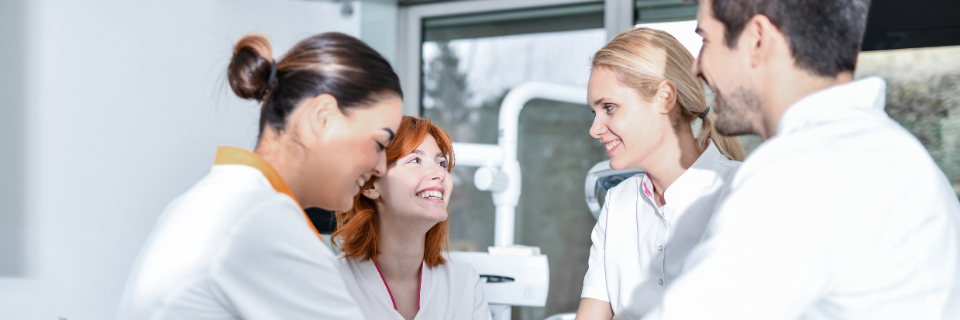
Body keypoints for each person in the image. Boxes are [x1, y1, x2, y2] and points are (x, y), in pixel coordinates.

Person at [642, 0, 960, 319]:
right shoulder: (887, 150)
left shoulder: (804, 168)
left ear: (757, 40)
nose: (696, 67)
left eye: (706, 41)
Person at [116, 32, 403, 320]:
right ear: (322, 117)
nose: (380, 167)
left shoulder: (217, 199)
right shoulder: (263, 219)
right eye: (379, 143)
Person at [575, 27, 747, 320]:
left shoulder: (743, 190)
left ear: (664, 97)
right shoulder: (618, 204)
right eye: (595, 112)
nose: (595, 129)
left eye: (609, 108)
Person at [332, 116, 492, 320]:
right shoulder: (331, 282)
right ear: (370, 184)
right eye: (415, 160)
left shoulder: (465, 283)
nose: (439, 173)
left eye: (441, 163)